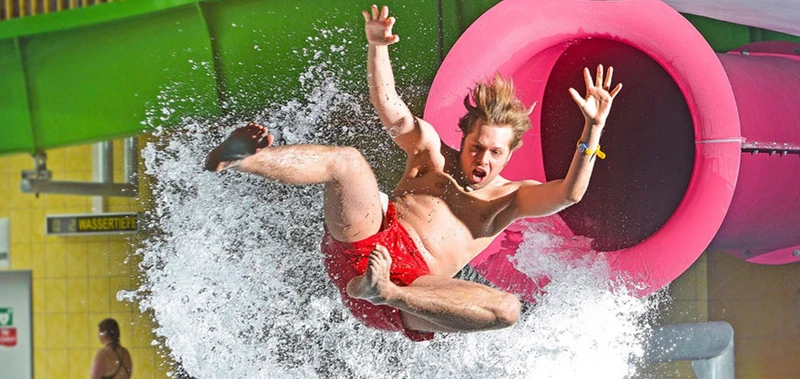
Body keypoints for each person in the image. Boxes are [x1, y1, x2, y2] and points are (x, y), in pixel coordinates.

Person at [205, 4, 622, 342]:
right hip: (370, 244)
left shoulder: (509, 200)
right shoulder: (430, 154)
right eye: (477, 147)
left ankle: (387, 291)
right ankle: (239, 159)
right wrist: (377, 46)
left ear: (510, 153)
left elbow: (569, 194)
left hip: (414, 292)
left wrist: (594, 126)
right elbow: (390, 109)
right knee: (347, 160)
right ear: (464, 136)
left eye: (495, 152)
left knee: (507, 310)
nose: (482, 160)